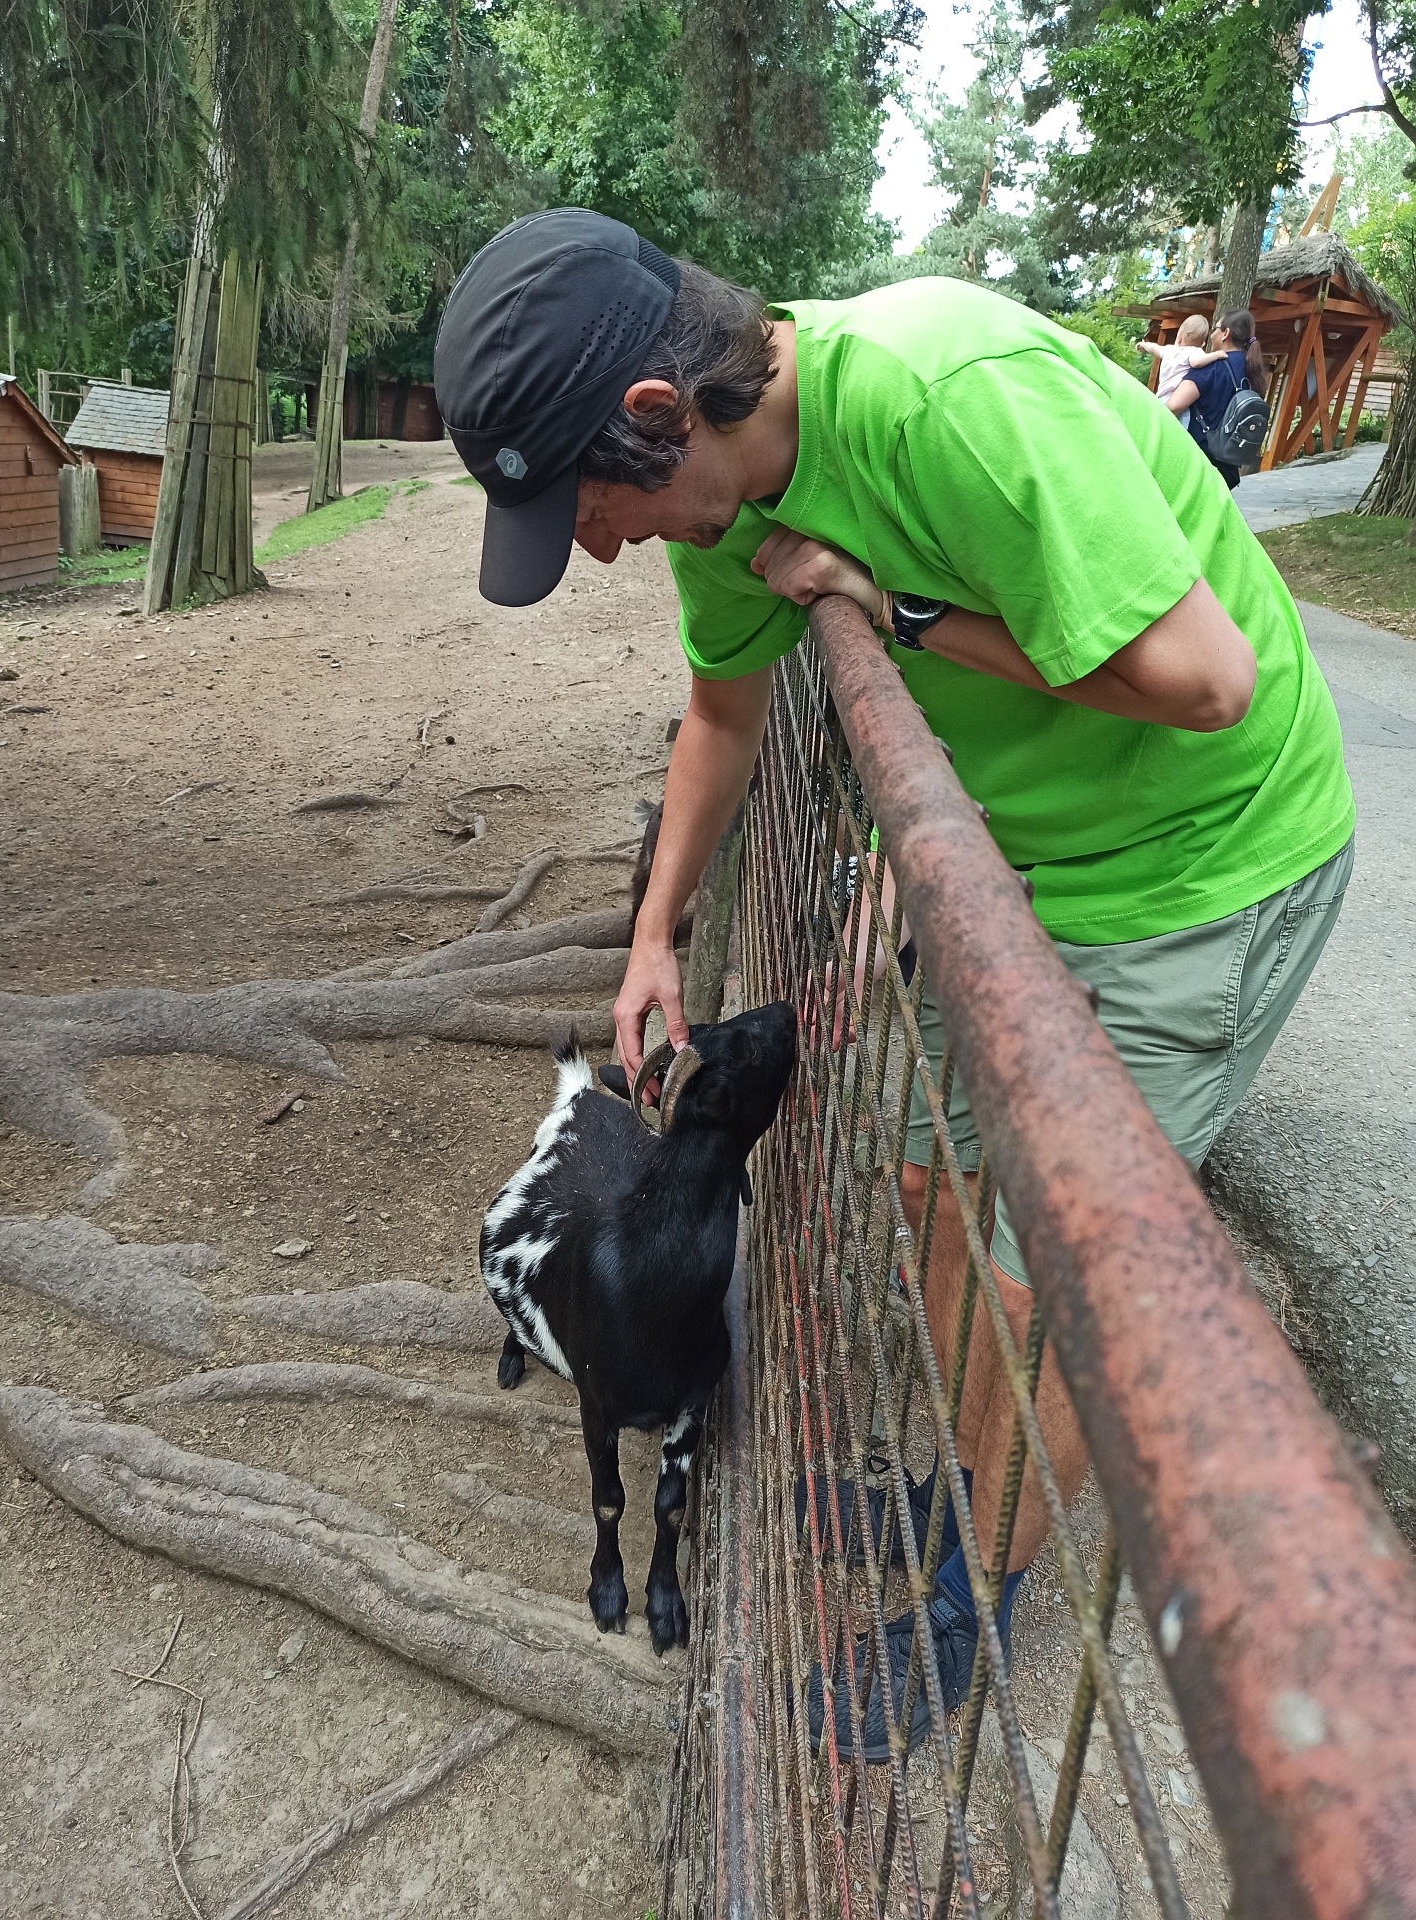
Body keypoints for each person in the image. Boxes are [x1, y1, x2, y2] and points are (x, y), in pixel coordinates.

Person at [433, 208, 1354, 1727]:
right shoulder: (725, 514)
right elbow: (722, 718)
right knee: (937, 1187)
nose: (593, 547)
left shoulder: (946, 394)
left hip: (1196, 866)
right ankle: (961, 1489)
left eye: (589, 505)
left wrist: (896, 610)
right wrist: (654, 932)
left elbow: (1206, 681)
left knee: (1048, 1282)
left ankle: (967, 1602)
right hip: (1004, 866)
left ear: (659, 413)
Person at [1167, 308, 1268, 488]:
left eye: (1215, 329)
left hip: (1199, 462)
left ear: (1225, 333)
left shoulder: (1213, 367)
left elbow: (1172, 406)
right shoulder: (1253, 370)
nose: (1212, 334)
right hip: (1227, 465)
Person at [1136, 312, 1227, 426]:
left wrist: (1144, 345)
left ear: (1179, 337)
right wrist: (1216, 355)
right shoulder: (1195, 351)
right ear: (1202, 344)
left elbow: (1154, 348)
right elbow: (1196, 362)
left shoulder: (1169, 350)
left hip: (1161, 398)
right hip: (1177, 399)